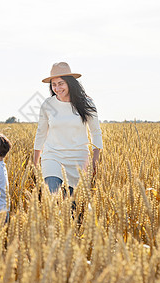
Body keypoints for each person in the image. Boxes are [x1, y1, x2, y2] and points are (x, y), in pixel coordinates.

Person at [33, 62, 103, 196]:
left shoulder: (87, 104)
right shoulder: (48, 105)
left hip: (79, 159)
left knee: (73, 207)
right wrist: (35, 163)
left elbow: (96, 132)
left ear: (70, 83)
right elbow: (41, 134)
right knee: (53, 199)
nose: (57, 88)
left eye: (61, 83)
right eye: (54, 84)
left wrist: (95, 160)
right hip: (52, 156)